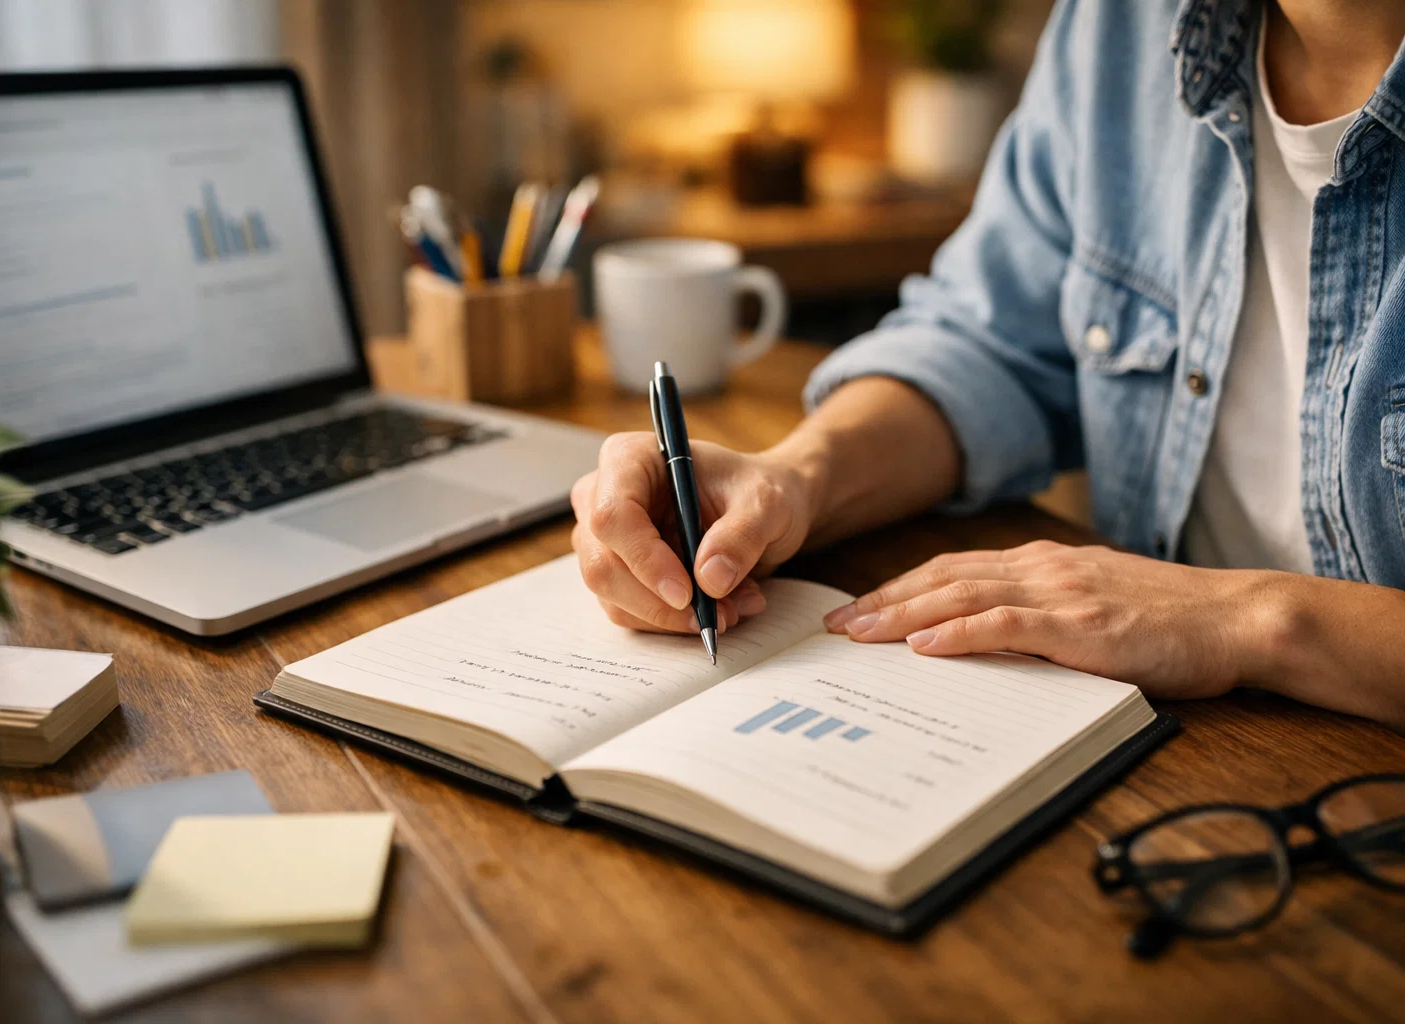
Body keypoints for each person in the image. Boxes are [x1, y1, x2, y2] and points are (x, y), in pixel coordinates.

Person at [570, 0, 1405, 731]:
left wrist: (1251, 620)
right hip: (1158, 734)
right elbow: (988, 340)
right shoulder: (1118, 26)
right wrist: (794, 480)